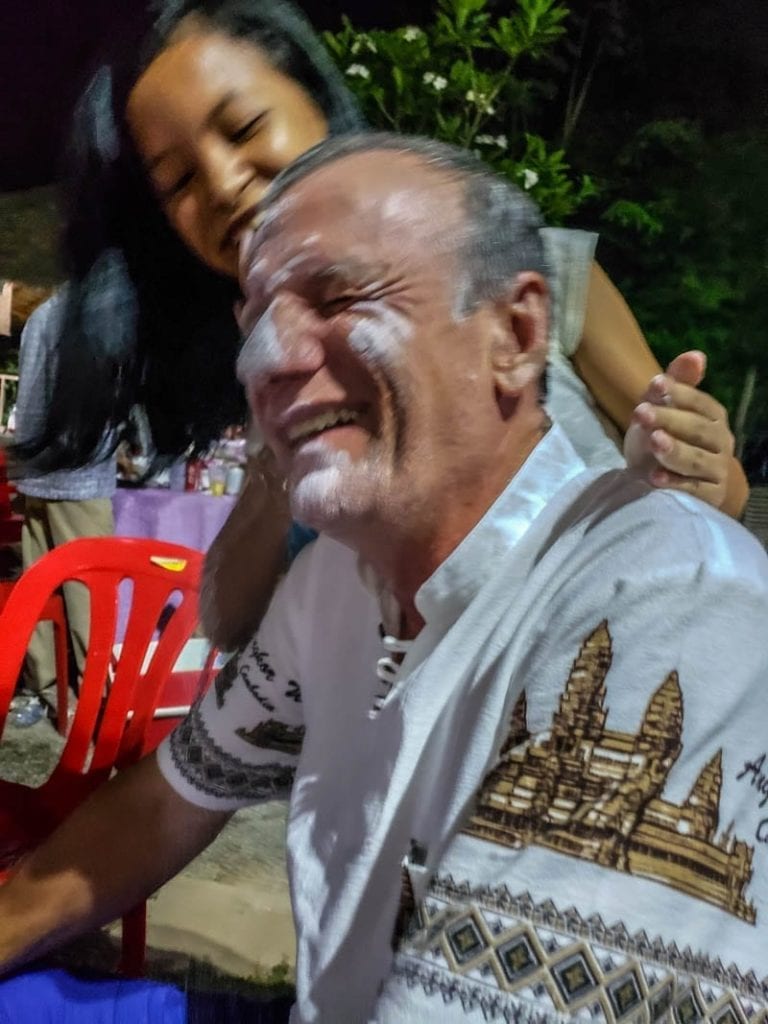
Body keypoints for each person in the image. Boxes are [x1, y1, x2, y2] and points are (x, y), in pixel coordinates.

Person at [1, 134, 766, 1023]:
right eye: (255, 319)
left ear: (517, 334)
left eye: (340, 296)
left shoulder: (665, 593)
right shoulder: (340, 580)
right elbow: (174, 798)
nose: (268, 361)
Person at [13, 0, 747, 655]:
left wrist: (699, 469)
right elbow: (230, 623)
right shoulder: (275, 377)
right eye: (176, 181)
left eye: (243, 128)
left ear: (319, 108)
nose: (223, 181)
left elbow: (719, 490)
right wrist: (280, 458)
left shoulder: (541, 272)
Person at [12, 291, 116, 712]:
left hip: (36, 470)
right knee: (90, 594)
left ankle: (50, 690)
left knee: (39, 586)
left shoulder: (43, 313)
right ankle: (96, 700)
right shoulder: (103, 311)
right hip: (80, 474)